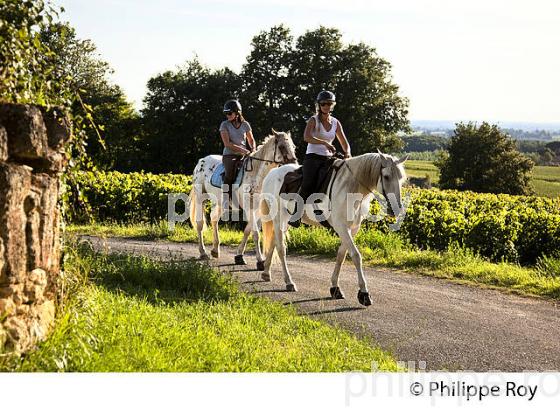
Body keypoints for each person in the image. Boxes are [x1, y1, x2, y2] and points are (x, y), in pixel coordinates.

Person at [298, 90, 351, 206]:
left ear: (332, 105)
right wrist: (325, 143)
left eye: (329, 103)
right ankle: (296, 213)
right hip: (312, 157)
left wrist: (347, 153)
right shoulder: (313, 120)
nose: (326, 106)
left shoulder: (336, 122)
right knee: (308, 183)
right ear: (319, 105)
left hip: (328, 158)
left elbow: (344, 142)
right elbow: (306, 137)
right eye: (323, 104)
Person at [219, 99, 255, 205]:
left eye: (229, 113)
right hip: (229, 155)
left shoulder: (245, 125)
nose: (227, 116)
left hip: (244, 155)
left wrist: (253, 149)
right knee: (230, 172)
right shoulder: (224, 125)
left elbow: (251, 140)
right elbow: (227, 144)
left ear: (237, 113)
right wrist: (243, 150)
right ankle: (226, 198)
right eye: (226, 113)